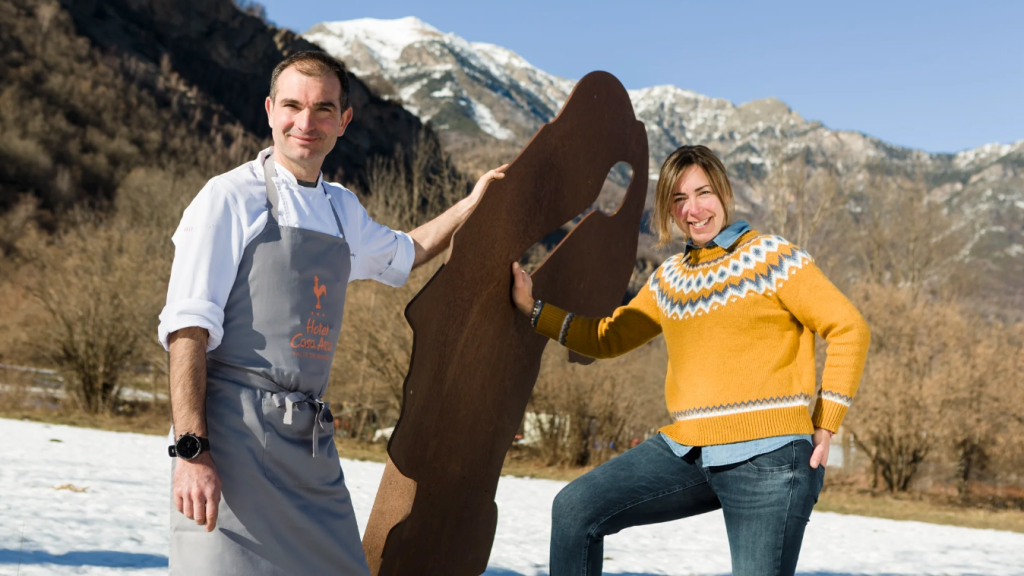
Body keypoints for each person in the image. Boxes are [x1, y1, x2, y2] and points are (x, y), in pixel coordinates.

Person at [158, 50, 505, 575]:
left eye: (323, 109)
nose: (306, 122)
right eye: (292, 106)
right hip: (232, 438)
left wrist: (474, 204)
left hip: (310, 442)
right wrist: (192, 451)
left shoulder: (342, 209)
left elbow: (406, 252)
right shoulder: (228, 198)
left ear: (343, 121)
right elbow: (188, 329)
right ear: (270, 110)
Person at [511, 145, 870, 576]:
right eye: (679, 199)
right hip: (689, 450)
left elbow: (849, 328)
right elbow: (607, 338)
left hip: (771, 459)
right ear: (668, 209)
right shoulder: (669, 279)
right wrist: (534, 310)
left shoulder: (772, 258)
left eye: (703, 193)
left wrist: (825, 424)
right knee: (574, 509)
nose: (693, 210)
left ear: (724, 193)